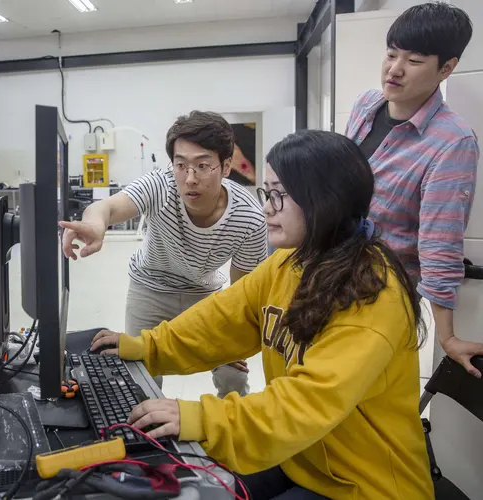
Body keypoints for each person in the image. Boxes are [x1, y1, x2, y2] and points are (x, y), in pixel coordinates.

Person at [90, 130, 433, 499]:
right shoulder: (290, 262)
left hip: (363, 482)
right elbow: (221, 318)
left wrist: (199, 417)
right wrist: (145, 346)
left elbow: (305, 403)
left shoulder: (371, 295)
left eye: (280, 195)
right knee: (187, 487)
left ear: (325, 201)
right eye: (266, 192)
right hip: (301, 456)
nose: (267, 207)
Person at [61, 111, 268, 396]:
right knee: (140, 374)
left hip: (203, 294)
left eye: (203, 165)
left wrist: (234, 341)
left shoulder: (249, 219)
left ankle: (233, 431)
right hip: (150, 287)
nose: (190, 178)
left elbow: (244, 291)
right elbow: (106, 207)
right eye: (181, 165)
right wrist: (94, 224)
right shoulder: (161, 185)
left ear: (226, 166)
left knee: (233, 372)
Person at [345, 2, 483, 377]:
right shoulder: (366, 105)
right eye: (391, 54)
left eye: (415, 61)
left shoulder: (453, 141)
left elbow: (440, 241)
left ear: (447, 68)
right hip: (328, 275)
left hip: (379, 296)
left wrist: (448, 337)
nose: (395, 69)